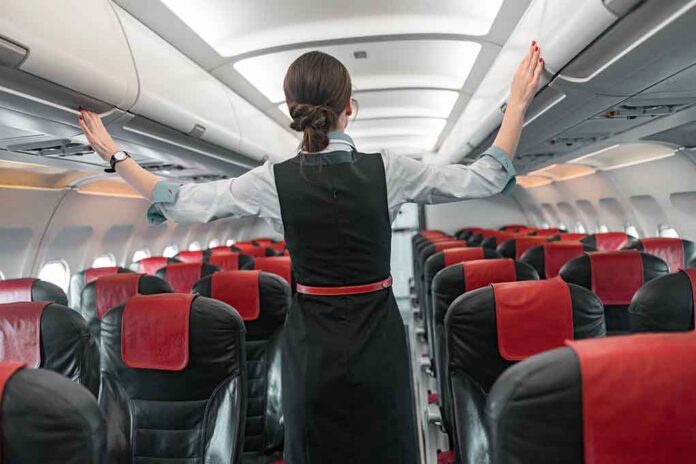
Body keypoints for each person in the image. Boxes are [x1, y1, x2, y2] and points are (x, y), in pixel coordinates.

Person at [79, 42, 543, 464]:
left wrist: (116, 156)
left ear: (292, 110)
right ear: (349, 109)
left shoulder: (270, 180)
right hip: (379, 339)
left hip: (309, 346)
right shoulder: (390, 170)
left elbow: (179, 202)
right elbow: (483, 177)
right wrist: (517, 102)